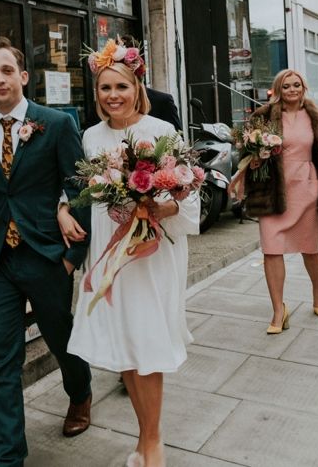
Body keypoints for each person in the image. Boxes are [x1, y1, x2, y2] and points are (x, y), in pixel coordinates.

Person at [66, 39, 199, 467]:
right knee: (125, 343)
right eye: (105, 88)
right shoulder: (89, 137)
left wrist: (168, 204)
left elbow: (189, 192)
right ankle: (142, 439)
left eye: (120, 86)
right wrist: (62, 207)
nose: (113, 96)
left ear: (136, 85)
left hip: (150, 254)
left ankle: (155, 441)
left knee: (148, 343)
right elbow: (80, 189)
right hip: (111, 253)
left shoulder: (161, 132)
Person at [0, 37, 92, 467]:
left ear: (22, 77)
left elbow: (80, 191)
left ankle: (80, 392)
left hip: (45, 256)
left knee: (62, 340)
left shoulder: (56, 124)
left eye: (7, 71)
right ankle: (9, 459)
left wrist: (71, 257)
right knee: (1, 362)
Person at [243, 69, 318, 333]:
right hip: (272, 189)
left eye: (297, 85)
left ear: (304, 88)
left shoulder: (317, 116)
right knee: (271, 248)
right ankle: (278, 311)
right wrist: (250, 163)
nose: (293, 90)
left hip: (308, 188)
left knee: (310, 248)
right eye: (287, 86)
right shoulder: (262, 116)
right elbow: (246, 153)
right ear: (278, 90)